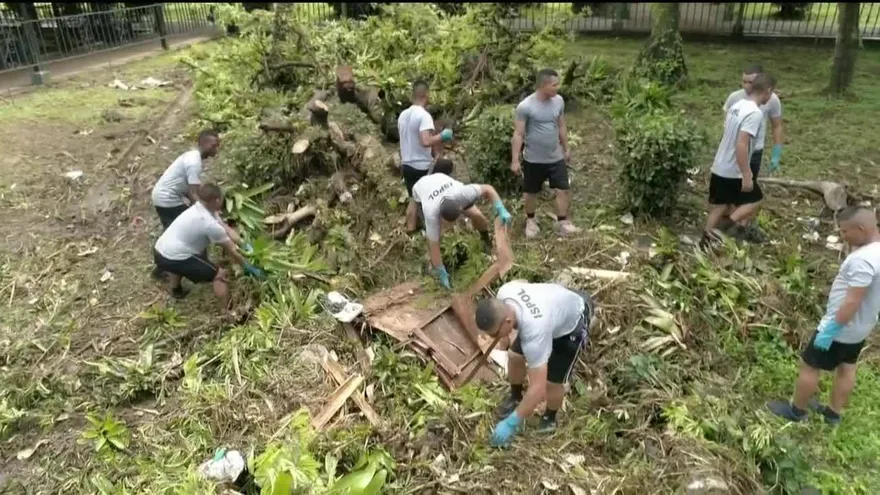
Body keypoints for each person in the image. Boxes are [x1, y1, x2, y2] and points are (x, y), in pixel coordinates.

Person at [767, 206, 880, 426]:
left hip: (841, 328)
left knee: (809, 365)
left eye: (846, 232)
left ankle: (796, 411)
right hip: (862, 327)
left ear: (861, 228)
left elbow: (852, 301)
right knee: (847, 367)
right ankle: (832, 414)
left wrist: (830, 330)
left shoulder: (863, 261)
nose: (843, 236)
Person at [474, 281, 594, 446]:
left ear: (508, 321)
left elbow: (537, 389)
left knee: (551, 383)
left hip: (572, 324)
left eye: (495, 333)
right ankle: (515, 397)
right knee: (514, 356)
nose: (494, 338)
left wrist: (511, 423)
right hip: (553, 307)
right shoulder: (505, 292)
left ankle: (550, 417)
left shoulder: (535, 330)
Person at [153, 184, 264, 310]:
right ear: (216, 200)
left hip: (160, 250)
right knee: (220, 274)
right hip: (173, 257)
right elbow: (233, 251)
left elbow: (226, 228)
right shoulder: (210, 225)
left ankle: (176, 290)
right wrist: (249, 267)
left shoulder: (201, 208)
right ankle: (226, 312)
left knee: (176, 256)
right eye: (221, 198)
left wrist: (244, 244)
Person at [411, 159, 512, 289]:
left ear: (460, 207)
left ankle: (485, 240)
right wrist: (441, 270)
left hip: (443, 182)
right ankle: (434, 266)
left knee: (478, 216)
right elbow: (433, 244)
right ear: (440, 216)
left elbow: (488, 189)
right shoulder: (430, 212)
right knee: (435, 237)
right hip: (420, 190)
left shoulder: (462, 192)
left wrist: (500, 208)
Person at [703, 72, 774, 246]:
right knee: (754, 200)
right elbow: (741, 144)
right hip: (733, 170)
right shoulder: (755, 113)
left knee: (720, 205)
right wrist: (746, 173)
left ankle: (704, 240)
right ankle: (724, 229)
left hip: (719, 165)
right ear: (768, 91)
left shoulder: (738, 105)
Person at [512, 68, 580, 238]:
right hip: (533, 159)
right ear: (543, 85)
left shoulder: (559, 101)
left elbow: (561, 125)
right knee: (530, 192)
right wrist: (514, 160)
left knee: (563, 189)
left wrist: (566, 148)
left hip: (555, 157)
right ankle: (531, 221)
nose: (558, 87)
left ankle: (562, 222)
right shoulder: (525, 106)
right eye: (554, 85)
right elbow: (518, 134)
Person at [720, 64, 785, 243]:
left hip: (754, 153)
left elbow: (777, 125)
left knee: (748, 191)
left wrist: (776, 152)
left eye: (751, 81)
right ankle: (729, 225)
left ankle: (743, 227)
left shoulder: (771, 100)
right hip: (735, 153)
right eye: (744, 81)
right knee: (734, 192)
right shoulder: (735, 98)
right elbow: (726, 126)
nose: (747, 86)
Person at [151, 130, 221, 278]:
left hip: (163, 196)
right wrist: (209, 213)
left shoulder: (192, 157)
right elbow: (195, 194)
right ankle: (201, 266)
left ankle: (162, 267)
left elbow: (191, 192)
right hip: (167, 199)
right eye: (214, 145)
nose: (217, 149)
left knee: (174, 233)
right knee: (191, 230)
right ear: (205, 143)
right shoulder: (194, 163)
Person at [398, 80, 454, 232]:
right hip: (421, 167)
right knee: (448, 167)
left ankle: (410, 230)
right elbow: (425, 141)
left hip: (407, 165)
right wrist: (443, 136)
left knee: (414, 198)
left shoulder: (403, 115)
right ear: (426, 94)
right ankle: (443, 220)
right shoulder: (424, 115)